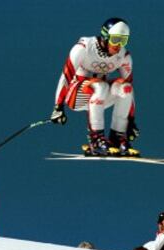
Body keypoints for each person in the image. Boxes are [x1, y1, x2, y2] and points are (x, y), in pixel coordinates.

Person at [50, 18, 140, 156]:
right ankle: (96, 139)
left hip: (100, 100)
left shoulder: (124, 56)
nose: (118, 45)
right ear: (105, 36)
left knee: (126, 88)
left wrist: (131, 121)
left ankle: (117, 138)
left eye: (123, 40)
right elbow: (66, 77)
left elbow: (130, 89)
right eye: (116, 39)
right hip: (76, 95)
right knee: (101, 86)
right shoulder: (83, 48)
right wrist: (58, 107)